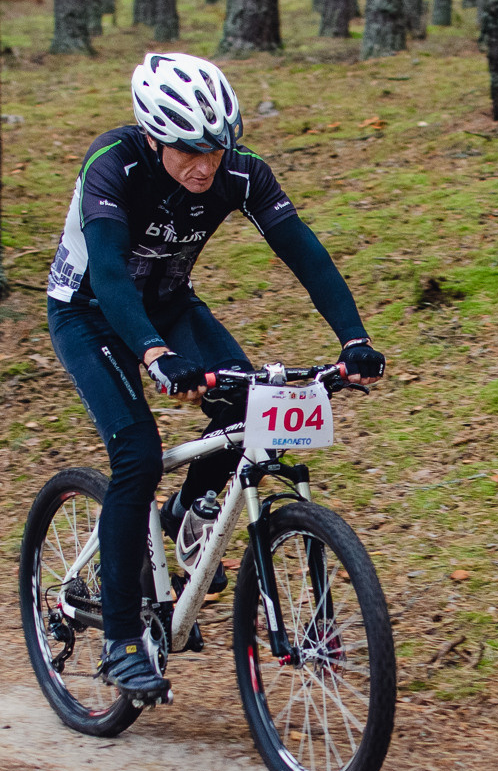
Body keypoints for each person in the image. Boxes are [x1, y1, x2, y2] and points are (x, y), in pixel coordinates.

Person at [45, 52, 384, 702]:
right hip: (89, 313)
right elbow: (111, 276)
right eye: (188, 151)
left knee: (249, 409)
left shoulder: (240, 174)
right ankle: (119, 640)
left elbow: (304, 251)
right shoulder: (111, 164)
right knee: (138, 455)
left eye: (217, 148)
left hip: (170, 305)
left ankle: (188, 514)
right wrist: (152, 354)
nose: (206, 165)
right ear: (152, 136)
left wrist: (355, 338)